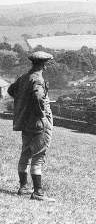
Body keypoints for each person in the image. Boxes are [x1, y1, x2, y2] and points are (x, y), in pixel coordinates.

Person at [7, 51, 55, 202]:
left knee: (25, 153)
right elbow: (38, 97)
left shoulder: (23, 77)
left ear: (32, 63)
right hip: (40, 123)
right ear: (44, 65)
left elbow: (11, 90)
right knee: (38, 156)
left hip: (27, 122)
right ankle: (38, 193)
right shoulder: (38, 79)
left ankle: (23, 187)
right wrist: (41, 114)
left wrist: (24, 103)